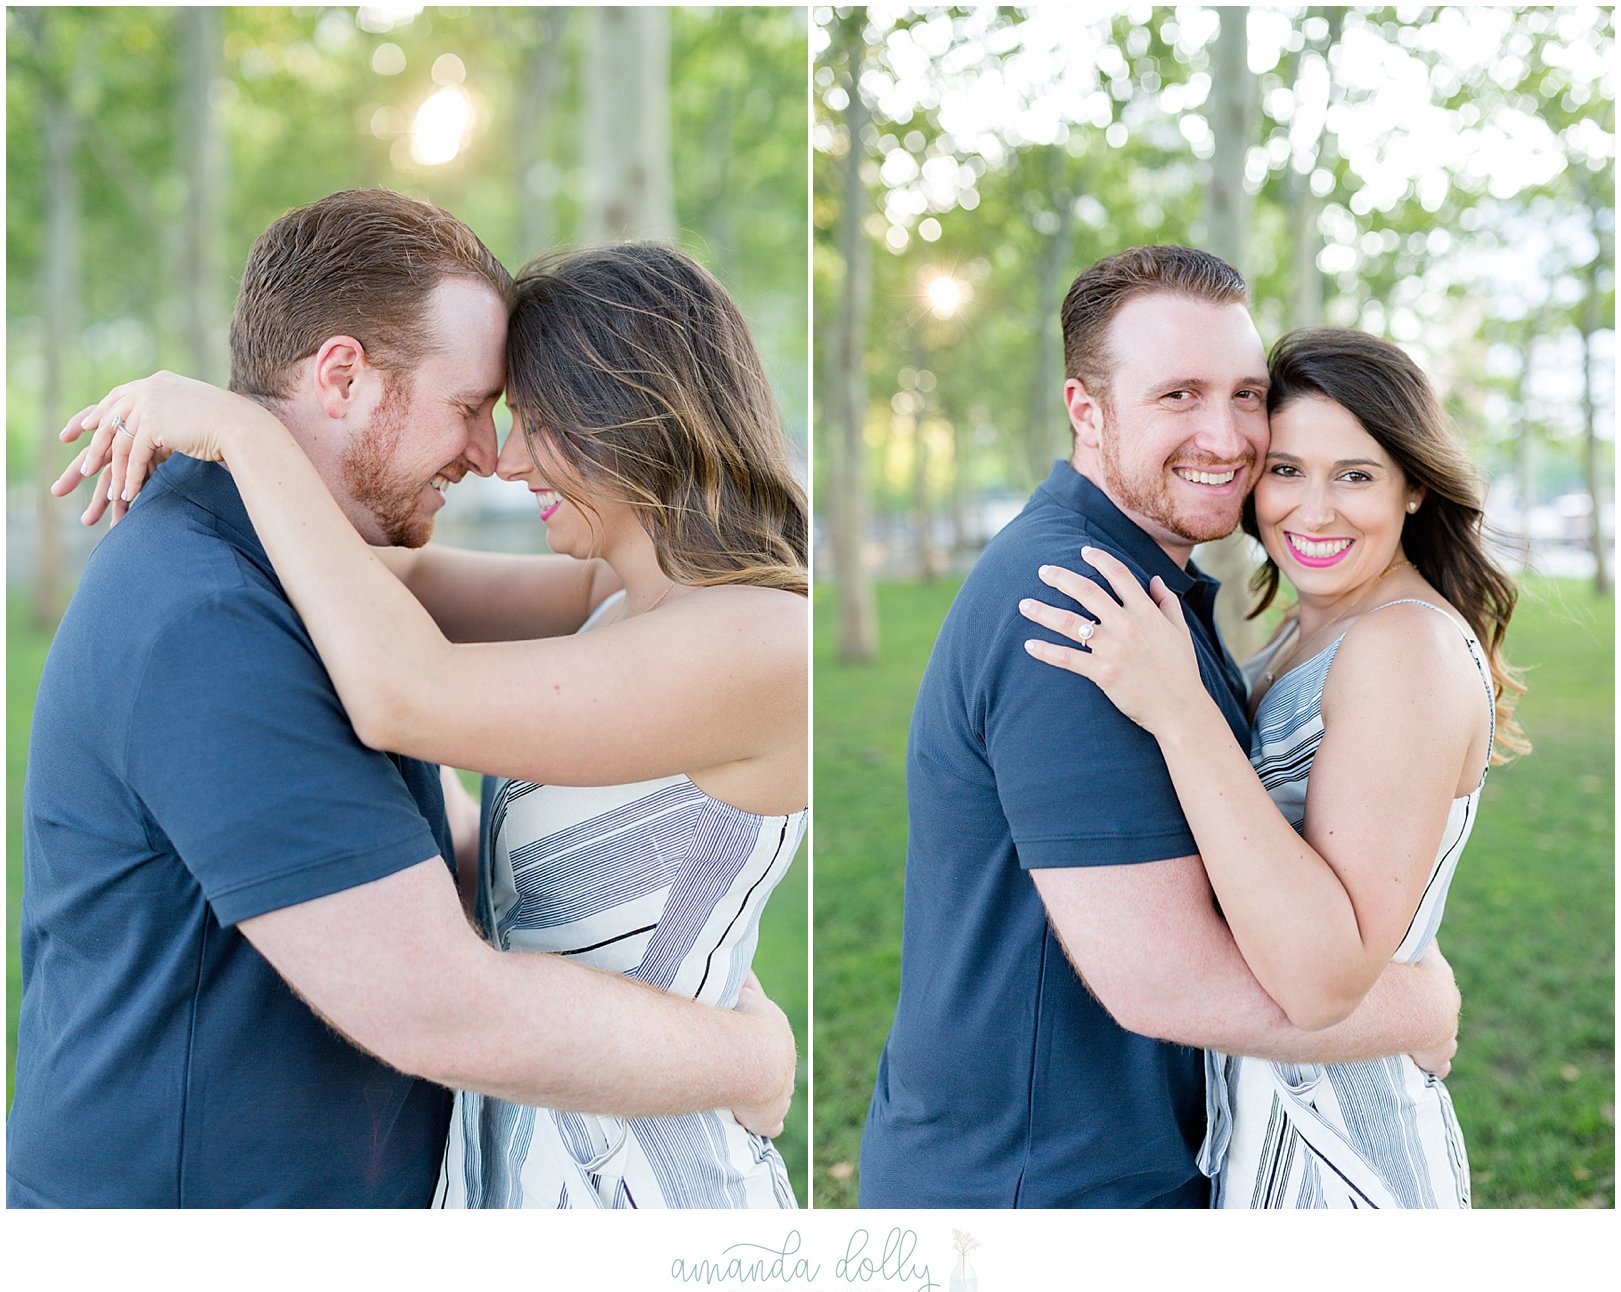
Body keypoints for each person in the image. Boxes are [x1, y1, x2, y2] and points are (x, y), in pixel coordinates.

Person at [11, 191, 795, 1209]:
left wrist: (241, 438)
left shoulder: (320, 592)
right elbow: (435, 996)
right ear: (340, 375)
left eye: (524, 419)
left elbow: (411, 720)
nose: (491, 455)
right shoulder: (209, 612)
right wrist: (746, 1056)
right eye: (473, 406)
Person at [857, 245, 1462, 1209]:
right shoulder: (1073, 600)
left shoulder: (1151, 592)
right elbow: (1163, 982)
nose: (1225, 438)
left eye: (1244, 393)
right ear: (1085, 411)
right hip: (1036, 1190)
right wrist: (1419, 1002)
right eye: (1177, 395)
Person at [1023, 326, 1526, 1208]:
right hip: (1256, 1137)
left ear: (1413, 487)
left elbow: (1320, 978)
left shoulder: (1402, 645)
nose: (1313, 509)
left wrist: (1179, 711)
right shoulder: (1311, 625)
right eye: (1286, 470)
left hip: (1344, 1165)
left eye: (1356, 474)